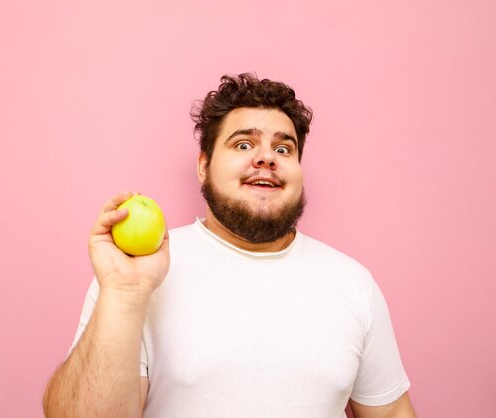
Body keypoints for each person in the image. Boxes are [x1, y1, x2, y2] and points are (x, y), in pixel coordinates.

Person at [42, 73, 417, 418]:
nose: (267, 157)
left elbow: (393, 412)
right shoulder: (136, 273)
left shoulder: (353, 284)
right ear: (204, 165)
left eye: (284, 149)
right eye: (243, 143)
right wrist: (125, 294)